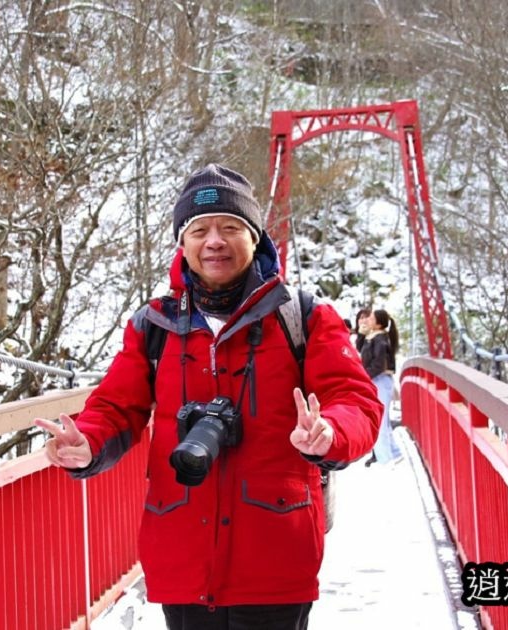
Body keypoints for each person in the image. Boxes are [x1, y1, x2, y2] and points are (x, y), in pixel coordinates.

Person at [35, 163, 382, 630]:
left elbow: (356, 400)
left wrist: (331, 432)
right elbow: (116, 407)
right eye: (198, 230)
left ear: (255, 237)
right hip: (182, 559)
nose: (213, 241)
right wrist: (89, 444)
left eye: (230, 227)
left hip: (275, 559)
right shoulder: (153, 325)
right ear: (183, 244)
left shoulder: (303, 316)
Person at [359, 308, 402, 467]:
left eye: (371, 317)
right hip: (378, 380)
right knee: (382, 419)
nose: (367, 319)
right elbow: (361, 351)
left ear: (378, 324)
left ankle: (386, 459)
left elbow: (378, 364)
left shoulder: (381, 340)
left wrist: (363, 377)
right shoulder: (374, 337)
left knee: (380, 420)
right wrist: (362, 335)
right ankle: (394, 453)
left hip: (380, 380)